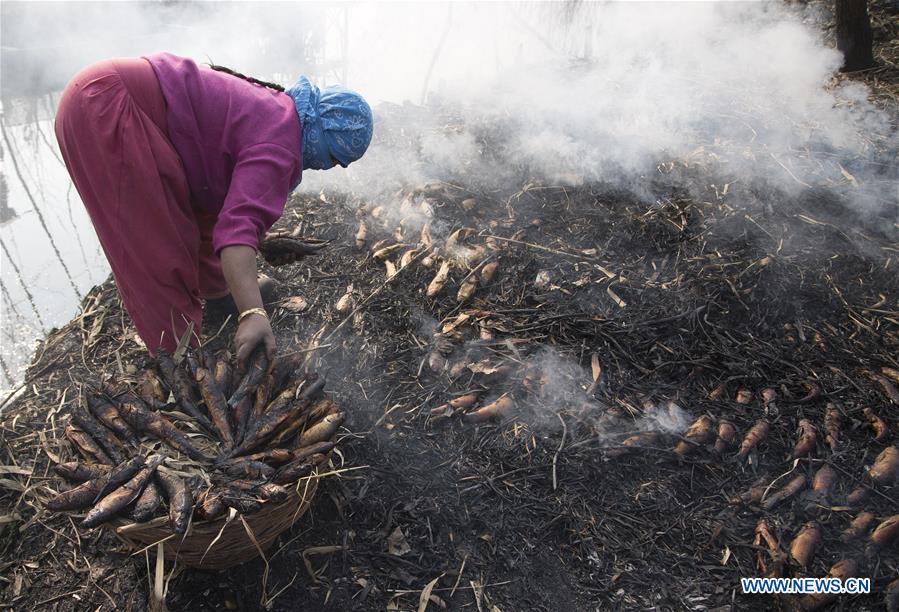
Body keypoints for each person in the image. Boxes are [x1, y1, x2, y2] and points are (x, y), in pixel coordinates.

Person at [54, 53, 373, 364]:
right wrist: (253, 313)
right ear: (323, 136)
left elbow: (224, 202)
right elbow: (236, 233)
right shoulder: (281, 145)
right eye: (335, 158)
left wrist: (254, 248)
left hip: (101, 94)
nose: (331, 166)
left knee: (202, 212)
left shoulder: (282, 110)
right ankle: (178, 360)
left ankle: (219, 294)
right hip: (108, 111)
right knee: (157, 247)